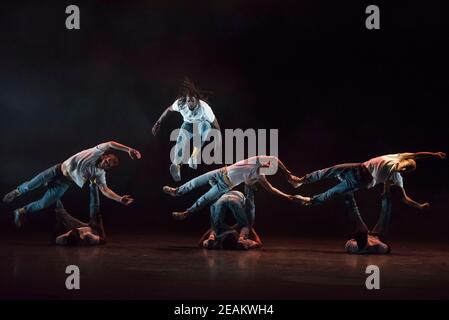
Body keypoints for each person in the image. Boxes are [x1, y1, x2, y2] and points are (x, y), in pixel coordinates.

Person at [3, 141, 142, 227]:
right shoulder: (95, 152)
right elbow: (111, 143)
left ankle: (21, 211)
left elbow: (105, 190)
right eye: (106, 162)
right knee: (31, 184)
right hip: (57, 171)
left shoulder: (99, 173)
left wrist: (120, 199)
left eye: (108, 166)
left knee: (44, 203)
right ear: (105, 156)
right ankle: (17, 192)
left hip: (64, 183)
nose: (105, 165)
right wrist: (129, 149)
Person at [163, 155, 308, 220]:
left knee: (205, 198)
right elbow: (275, 158)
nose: (267, 163)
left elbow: (272, 190)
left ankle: (186, 213)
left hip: (224, 185)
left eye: (269, 166)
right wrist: (287, 172)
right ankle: (177, 191)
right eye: (268, 163)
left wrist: (289, 197)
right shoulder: (256, 159)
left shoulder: (260, 177)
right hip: (221, 172)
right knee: (196, 181)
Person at [152, 78, 221, 181]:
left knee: (206, 126)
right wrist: (158, 122)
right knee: (181, 138)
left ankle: (193, 157)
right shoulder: (181, 103)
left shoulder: (205, 108)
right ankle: (176, 164)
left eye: (193, 101)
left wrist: (218, 144)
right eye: (189, 101)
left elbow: (216, 126)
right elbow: (169, 110)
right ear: (186, 99)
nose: (190, 104)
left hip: (201, 126)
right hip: (188, 125)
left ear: (198, 101)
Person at [199, 185, 262, 250]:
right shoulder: (217, 243)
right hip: (223, 200)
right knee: (216, 224)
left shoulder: (218, 243)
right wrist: (213, 227)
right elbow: (200, 243)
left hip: (234, 199)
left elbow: (259, 243)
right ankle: (212, 236)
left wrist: (250, 227)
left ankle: (241, 237)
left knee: (246, 224)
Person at [54, 180, 106, 246]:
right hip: (94, 229)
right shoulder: (88, 237)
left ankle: (53, 191)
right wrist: (99, 226)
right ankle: (93, 183)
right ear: (81, 236)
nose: (80, 230)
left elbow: (53, 240)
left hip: (78, 231)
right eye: (79, 231)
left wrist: (58, 223)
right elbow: (104, 240)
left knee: (61, 213)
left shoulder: (63, 239)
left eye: (71, 231)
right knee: (95, 208)